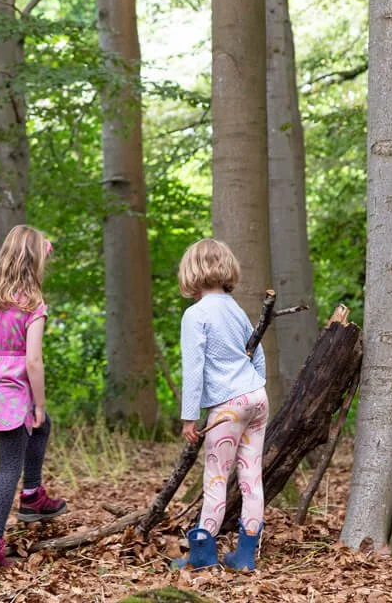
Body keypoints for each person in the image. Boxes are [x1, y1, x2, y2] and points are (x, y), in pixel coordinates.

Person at [0, 224, 68, 568]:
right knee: (8, 467)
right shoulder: (33, 303)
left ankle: (33, 495)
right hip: (16, 390)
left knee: (43, 426)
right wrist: (38, 402)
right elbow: (33, 360)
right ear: (35, 262)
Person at [173, 237, 267, 572]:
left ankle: (202, 554)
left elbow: (194, 368)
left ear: (191, 273)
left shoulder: (195, 315)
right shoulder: (235, 308)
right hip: (256, 397)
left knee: (216, 478)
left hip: (227, 406)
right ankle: (245, 555)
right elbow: (257, 353)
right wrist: (257, 386)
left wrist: (189, 417)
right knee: (251, 478)